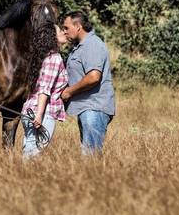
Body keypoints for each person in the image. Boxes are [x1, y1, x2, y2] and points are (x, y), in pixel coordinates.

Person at [60, 11, 115, 154]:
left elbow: (93, 77)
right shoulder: (80, 47)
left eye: (66, 28)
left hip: (94, 108)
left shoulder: (92, 44)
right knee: (89, 155)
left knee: (90, 158)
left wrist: (68, 92)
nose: (64, 31)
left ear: (78, 26)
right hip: (87, 108)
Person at [21, 24, 69, 158]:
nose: (64, 32)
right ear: (52, 37)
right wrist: (38, 115)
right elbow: (44, 89)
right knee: (34, 154)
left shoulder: (41, 57)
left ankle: (19, 175)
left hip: (30, 109)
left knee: (29, 150)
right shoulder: (54, 58)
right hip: (43, 112)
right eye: (60, 30)